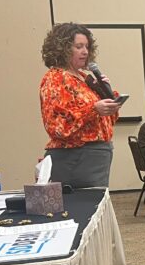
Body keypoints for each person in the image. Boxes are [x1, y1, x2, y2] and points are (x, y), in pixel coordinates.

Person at [39, 22, 122, 188]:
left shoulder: (85, 78)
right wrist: (93, 109)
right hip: (75, 156)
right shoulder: (56, 79)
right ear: (62, 48)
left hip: (96, 154)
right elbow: (57, 126)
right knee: (83, 209)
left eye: (87, 46)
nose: (85, 51)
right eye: (79, 46)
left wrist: (107, 95)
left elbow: (107, 121)